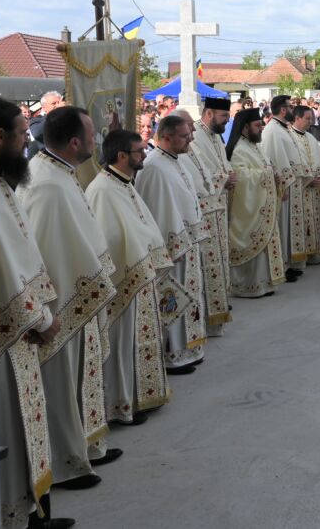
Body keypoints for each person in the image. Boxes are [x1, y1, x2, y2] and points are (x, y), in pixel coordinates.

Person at [17, 107, 122, 491]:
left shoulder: (59, 172)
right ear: (76, 142)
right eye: (92, 136)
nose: (96, 142)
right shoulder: (46, 183)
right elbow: (42, 250)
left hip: (78, 295)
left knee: (82, 380)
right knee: (62, 386)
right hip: (62, 302)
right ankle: (64, 464)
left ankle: (86, 445)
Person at [0, 97, 75, 529]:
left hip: (20, 331)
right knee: (7, 435)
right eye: (23, 134)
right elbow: (0, 273)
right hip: (3, 341)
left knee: (25, 432)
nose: (28, 143)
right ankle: (15, 518)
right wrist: (42, 319)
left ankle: (34, 511)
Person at [84, 130, 172, 426]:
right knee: (123, 345)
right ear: (122, 156)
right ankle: (122, 406)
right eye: (138, 151)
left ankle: (141, 396)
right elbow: (107, 239)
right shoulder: (102, 190)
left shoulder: (123, 184)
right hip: (124, 282)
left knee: (139, 342)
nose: (144, 154)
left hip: (140, 277)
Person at [134, 115, 208, 374]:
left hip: (186, 243)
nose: (190, 140)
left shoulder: (176, 161)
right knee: (173, 299)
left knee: (188, 298)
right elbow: (156, 211)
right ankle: (173, 354)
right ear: (166, 137)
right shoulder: (154, 167)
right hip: (171, 249)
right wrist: (169, 248)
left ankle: (189, 348)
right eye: (185, 136)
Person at [181, 103, 235, 335]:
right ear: (209, 114)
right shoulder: (196, 137)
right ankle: (211, 314)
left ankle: (219, 306)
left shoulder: (214, 136)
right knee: (209, 264)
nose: (226, 121)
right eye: (224, 116)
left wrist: (227, 175)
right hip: (204, 213)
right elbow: (199, 176)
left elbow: (220, 165)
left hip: (219, 207)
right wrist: (224, 178)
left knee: (220, 260)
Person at [226, 109, 286, 298]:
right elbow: (239, 177)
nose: (261, 128)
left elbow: (264, 166)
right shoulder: (238, 149)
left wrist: (271, 174)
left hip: (262, 206)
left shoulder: (253, 146)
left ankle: (265, 282)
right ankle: (249, 285)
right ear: (245, 128)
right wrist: (267, 174)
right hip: (248, 208)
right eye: (257, 125)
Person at [261, 95, 310, 282]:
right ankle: (280, 266)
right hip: (284, 187)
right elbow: (274, 159)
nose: (292, 109)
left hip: (292, 184)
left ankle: (288, 263)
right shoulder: (272, 130)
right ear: (283, 110)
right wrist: (281, 186)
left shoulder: (282, 128)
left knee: (289, 226)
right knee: (282, 226)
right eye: (290, 107)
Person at [290, 104, 320, 266]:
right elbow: (291, 164)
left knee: (314, 220)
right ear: (297, 118)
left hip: (314, 189)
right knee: (301, 222)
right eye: (307, 119)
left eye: (311, 119)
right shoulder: (289, 137)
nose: (310, 122)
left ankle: (314, 254)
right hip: (299, 190)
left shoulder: (310, 137)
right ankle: (301, 257)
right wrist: (307, 180)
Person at [26, 90, 64, 158]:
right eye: (54, 103)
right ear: (44, 107)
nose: (57, 105)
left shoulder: (67, 117)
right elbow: (37, 133)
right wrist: (56, 113)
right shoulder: (37, 120)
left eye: (59, 102)